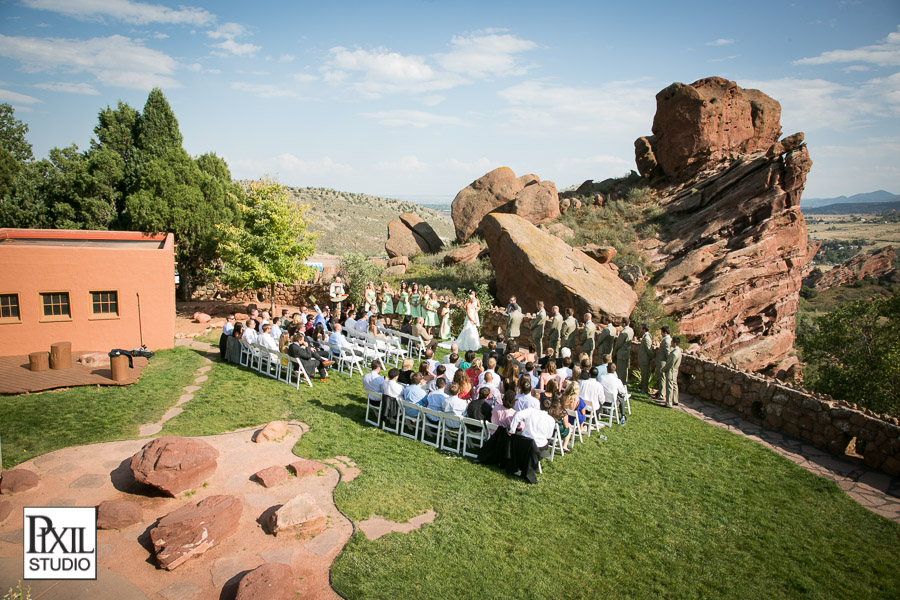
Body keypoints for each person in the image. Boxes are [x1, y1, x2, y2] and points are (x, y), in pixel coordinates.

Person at [661, 337, 683, 408]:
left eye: (672, 342)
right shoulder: (678, 351)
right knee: (674, 385)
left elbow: (669, 364)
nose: (671, 343)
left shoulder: (674, 354)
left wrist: (663, 369)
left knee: (670, 387)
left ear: (675, 343)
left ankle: (668, 403)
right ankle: (675, 400)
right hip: (675, 371)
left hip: (671, 371)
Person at [614, 317, 634, 384]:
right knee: (625, 369)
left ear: (624, 323)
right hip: (627, 352)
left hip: (621, 353)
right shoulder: (631, 330)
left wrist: (615, 350)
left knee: (620, 370)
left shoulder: (624, 332)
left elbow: (619, 344)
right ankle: (624, 382)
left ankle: (620, 383)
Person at [654, 326, 672, 399]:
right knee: (662, 378)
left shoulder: (666, 341)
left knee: (662, 378)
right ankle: (661, 392)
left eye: (661, 332)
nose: (660, 333)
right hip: (663, 361)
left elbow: (668, 353)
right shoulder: (668, 340)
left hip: (663, 362)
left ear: (665, 332)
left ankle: (661, 394)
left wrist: (668, 362)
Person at [637, 324, 653, 394]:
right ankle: (643, 388)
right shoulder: (645, 336)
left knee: (645, 374)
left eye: (641, 328)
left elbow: (648, 349)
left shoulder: (646, 337)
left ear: (644, 330)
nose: (640, 329)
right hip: (643, 359)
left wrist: (650, 358)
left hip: (645, 359)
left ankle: (644, 389)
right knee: (643, 374)